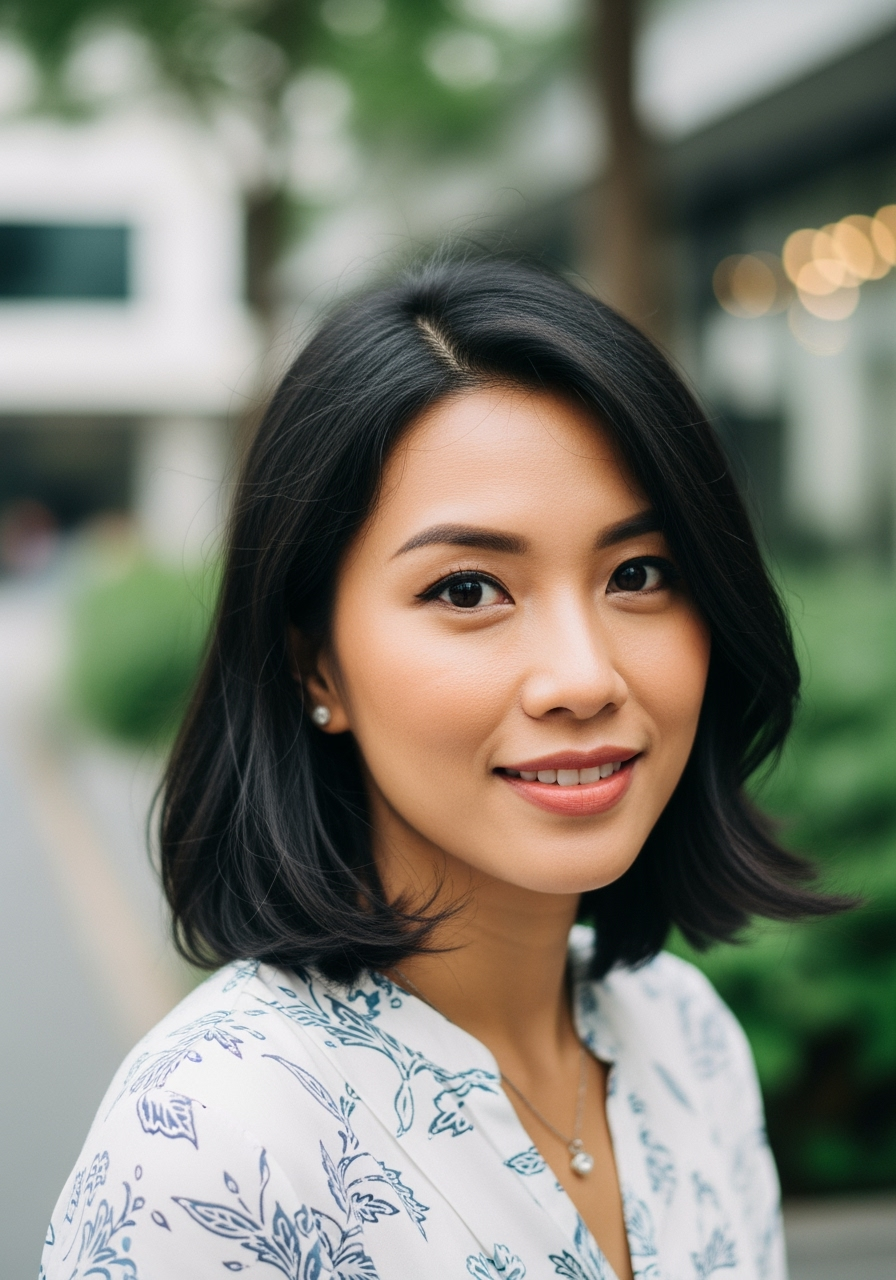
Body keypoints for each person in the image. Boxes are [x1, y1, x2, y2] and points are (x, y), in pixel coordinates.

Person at [41, 257, 843, 1280]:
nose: (582, 676)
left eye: (636, 574)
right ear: (312, 660)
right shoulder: (216, 1134)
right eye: (468, 589)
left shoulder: (686, 1039)